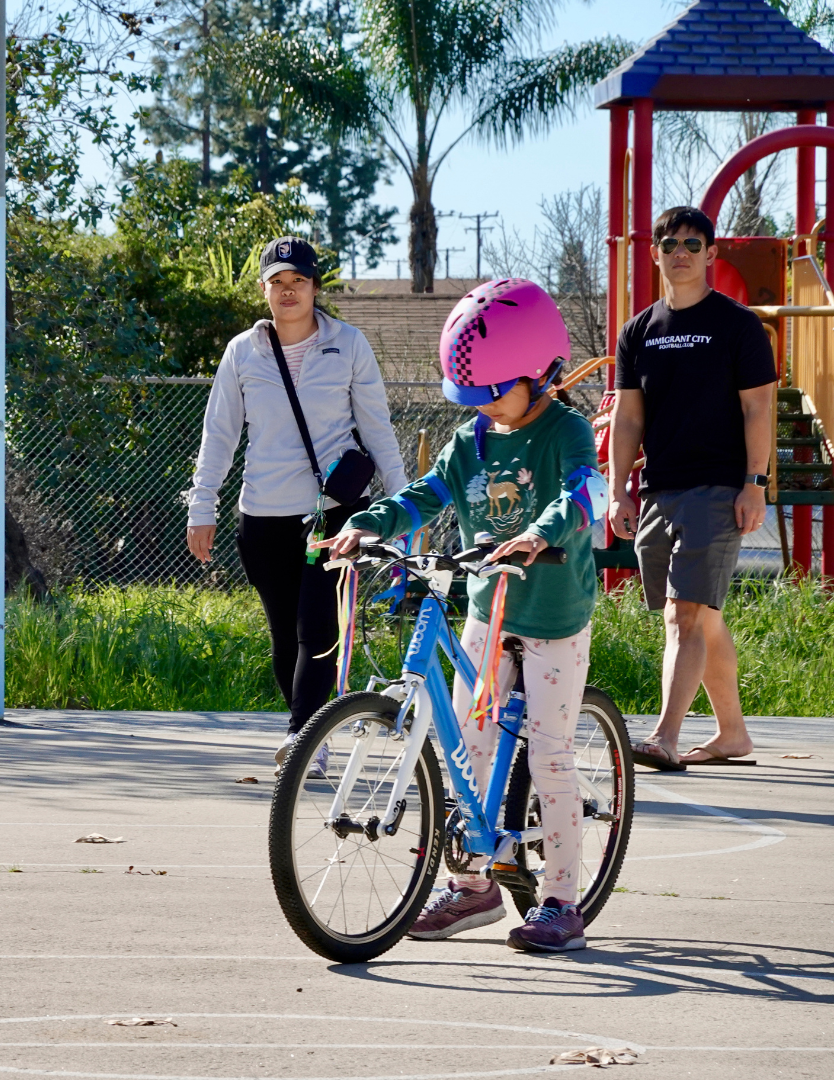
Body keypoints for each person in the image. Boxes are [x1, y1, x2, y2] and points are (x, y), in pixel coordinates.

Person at [320, 278, 607, 953]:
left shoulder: (563, 430)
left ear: (542, 375)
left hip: (553, 616)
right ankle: (473, 887)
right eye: (472, 399)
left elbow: (585, 491)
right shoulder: (472, 437)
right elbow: (426, 493)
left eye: (494, 394)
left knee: (552, 755)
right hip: (487, 609)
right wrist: (369, 522)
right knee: (466, 752)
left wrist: (542, 534)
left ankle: (562, 899)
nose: (486, 410)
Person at [186, 236, 406, 774]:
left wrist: (404, 507)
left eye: (299, 282)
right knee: (286, 635)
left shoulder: (349, 344)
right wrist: (202, 505)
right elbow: (220, 434)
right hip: (261, 515)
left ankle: (303, 735)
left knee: (319, 629)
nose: (288, 292)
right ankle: (311, 729)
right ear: (264, 289)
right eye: (278, 282)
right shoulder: (243, 350)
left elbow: (377, 426)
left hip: (333, 513)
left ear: (314, 288)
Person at [609, 207, 776, 771]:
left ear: (710, 254)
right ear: (655, 252)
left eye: (692, 243)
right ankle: (732, 735)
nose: (680, 251)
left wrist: (755, 483)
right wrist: (618, 489)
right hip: (659, 490)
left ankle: (665, 736)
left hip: (720, 487)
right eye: (670, 242)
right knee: (697, 617)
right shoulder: (638, 332)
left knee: (685, 613)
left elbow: (759, 407)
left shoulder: (738, 326)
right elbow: (628, 420)